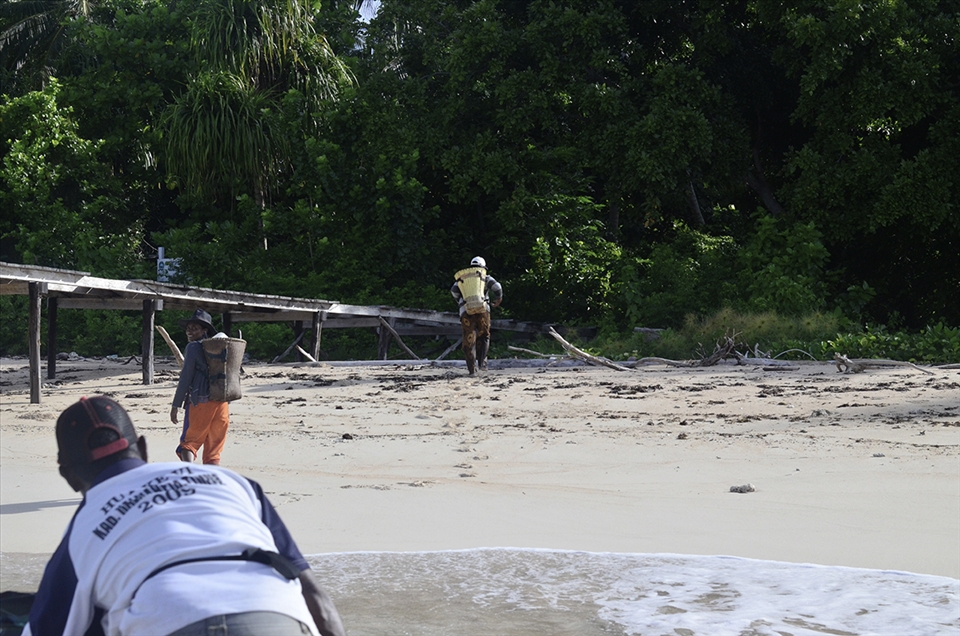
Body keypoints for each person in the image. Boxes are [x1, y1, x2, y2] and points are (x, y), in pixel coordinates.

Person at [24, 395, 346, 636]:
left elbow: (49, 627)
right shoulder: (233, 483)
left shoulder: (86, 523)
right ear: (144, 448)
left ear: (66, 474)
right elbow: (315, 596)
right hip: (278, 616)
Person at [170, 309, 229, 465]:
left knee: (189, 443)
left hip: (200, 401)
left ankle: (189, 474)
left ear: (205, 330)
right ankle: (210, 483)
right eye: (188, 328)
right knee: (214, 450)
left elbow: (185, 378)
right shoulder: (222, 349)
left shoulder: (193, 348)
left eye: (195, 328)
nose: (190, 331)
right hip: (221, 401)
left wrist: (176, 405)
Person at [451, 256, 503, 374]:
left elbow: (454, 290)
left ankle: (472, 370)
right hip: (483, 311)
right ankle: (482, 365)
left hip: (466, 312)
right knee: (484, 336)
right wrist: (499, 299)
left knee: (469, 338)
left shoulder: (462, 278)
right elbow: (497, 287)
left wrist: (461, 302)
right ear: (483, 268)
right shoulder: (485, 277)